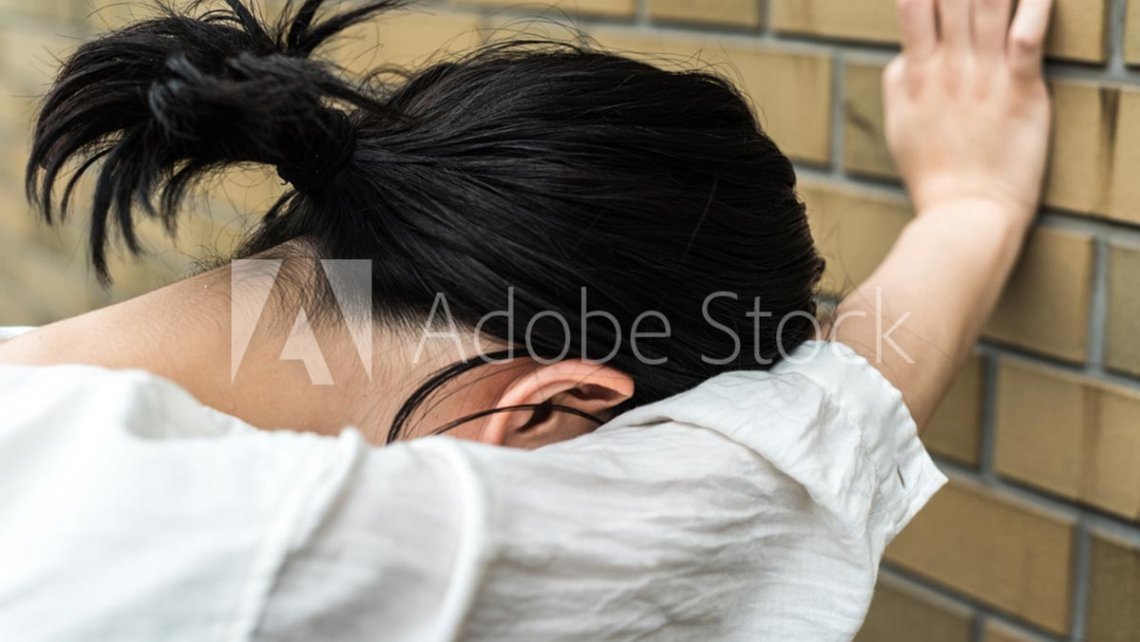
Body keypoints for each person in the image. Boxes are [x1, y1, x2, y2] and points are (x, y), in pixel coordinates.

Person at [0, 0, 1053, 638]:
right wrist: (976, 206)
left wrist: (971, 204)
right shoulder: (253, 549)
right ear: (548, 413)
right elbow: (745, 496)